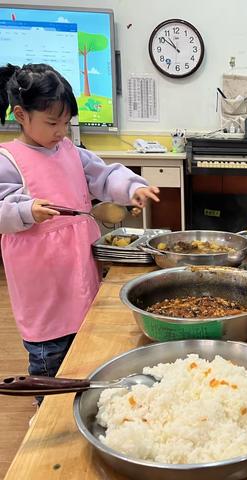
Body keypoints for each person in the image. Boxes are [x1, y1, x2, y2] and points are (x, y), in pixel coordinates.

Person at [0, 63, 159, 396]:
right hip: (41, 280)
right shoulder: (8, 158)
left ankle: (86, 399)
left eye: (67, 122)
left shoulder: (71, 151)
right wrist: (26, 209)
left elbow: (104, 176)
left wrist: (132, 188)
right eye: (52, 122)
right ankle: (46, 410)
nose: (61, 130)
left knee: (85, 340)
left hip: (78, 265)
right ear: (21, 115)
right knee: (50, 354)